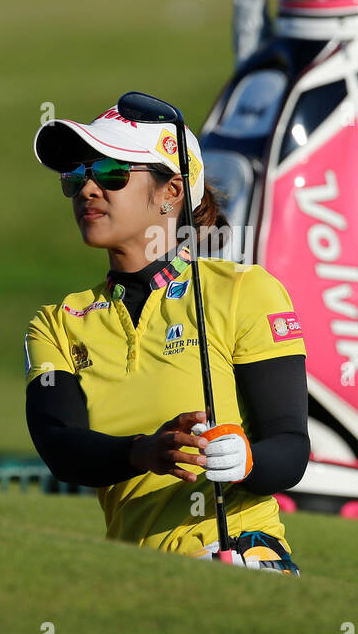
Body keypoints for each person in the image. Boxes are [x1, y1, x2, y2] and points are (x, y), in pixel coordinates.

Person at [23, 98, 310, 573]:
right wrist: (143, 452)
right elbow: (61, 446)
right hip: (134, 575)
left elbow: (291, 449)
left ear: (171, 191)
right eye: (77, 177)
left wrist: (246, 460)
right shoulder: (59, 321)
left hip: (240, 555)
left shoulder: (243, 291)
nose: (88, 189)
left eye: (112, 172)